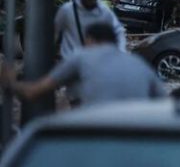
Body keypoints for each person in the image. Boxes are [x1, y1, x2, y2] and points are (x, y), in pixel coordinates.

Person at [3, 22, 166, 107]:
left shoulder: (81, 57)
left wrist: (10, 83)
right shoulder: (138, 64)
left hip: (95, 138)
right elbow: (165, 106)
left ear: (90, 40)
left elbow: (34, 92)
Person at [55, 0, 126, 105]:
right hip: (72, 65)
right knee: (76, 101)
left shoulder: (103, 12)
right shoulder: (67, 11)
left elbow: (118, 31)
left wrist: (120, 53)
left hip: (95, 65)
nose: (91, 1)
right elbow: (54, 31)